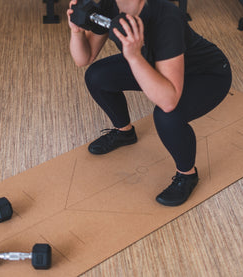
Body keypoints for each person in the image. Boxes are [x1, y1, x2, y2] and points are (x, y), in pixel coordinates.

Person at [67, 0, 232, 206]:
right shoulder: (108, 6)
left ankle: (187, 175)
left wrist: (134, 57)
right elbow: (84, 58)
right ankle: (124, 133)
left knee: (167, 116)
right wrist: (76, 32)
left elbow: (169, 100)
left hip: (206, 74)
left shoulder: (166, 16)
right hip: (154, 62)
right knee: (96, 76)